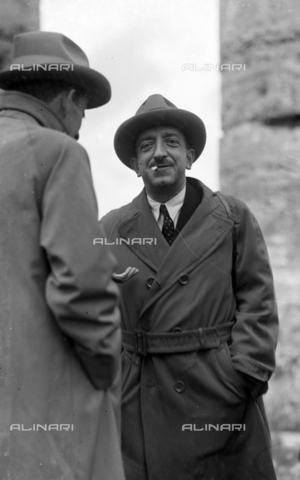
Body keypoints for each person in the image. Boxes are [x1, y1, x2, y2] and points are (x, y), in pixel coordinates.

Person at [0, 31, 125, 480]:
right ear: (67, 98)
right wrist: (107, 368)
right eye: (83, 109)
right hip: (52, 409)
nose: (81, 122)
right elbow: (82, 288)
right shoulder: (59, 152)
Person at [101, 94, 279, 480]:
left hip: (219, 394)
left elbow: (258, 298)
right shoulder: (110, 228)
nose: (159, 154)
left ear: (191, 156)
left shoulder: (232, 216)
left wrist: (242, 374)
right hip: (142, 398)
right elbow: (93, 311)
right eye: (146, 146)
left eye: (172, 143)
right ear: (134, 164)